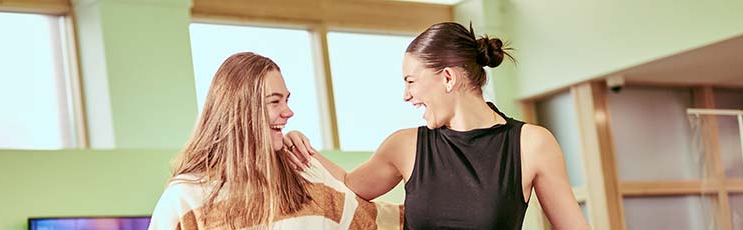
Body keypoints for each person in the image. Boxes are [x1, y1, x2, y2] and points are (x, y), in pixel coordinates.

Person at [283, 22, 590, 229]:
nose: (406, 95)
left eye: (411, 81)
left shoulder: (531, 144)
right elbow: (350, 184)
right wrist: (301, 148)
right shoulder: (405, 146)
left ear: (447, 78)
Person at [148, 52, 402, 230]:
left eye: (287, 100)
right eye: (274, 102)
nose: (288, 112)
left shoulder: (308, 177)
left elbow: (381, 221)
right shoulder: (185, 199)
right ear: (239, 110)